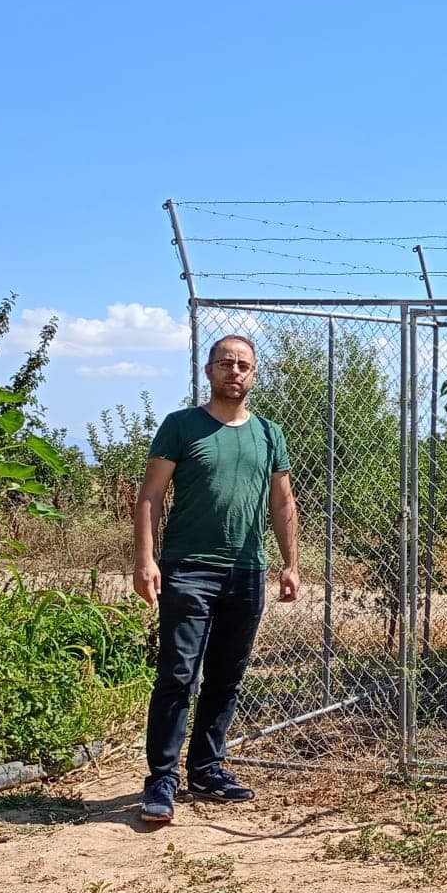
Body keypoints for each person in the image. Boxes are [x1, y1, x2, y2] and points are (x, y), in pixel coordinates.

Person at [133, 334, 300, 824]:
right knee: (178, 675)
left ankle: (207, 769)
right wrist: (147, 560)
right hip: (188, 570)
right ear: (208, 370)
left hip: (247, 571)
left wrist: (291, 564)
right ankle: (162, 778)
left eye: (243, 364)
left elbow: (283, 502)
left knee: (226, 677)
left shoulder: (269, 433)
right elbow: (150, 497)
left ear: (253, 374)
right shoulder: (181, 426)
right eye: (225, 362)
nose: (235, 371)